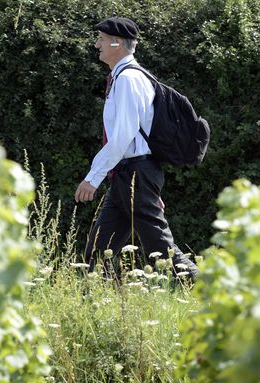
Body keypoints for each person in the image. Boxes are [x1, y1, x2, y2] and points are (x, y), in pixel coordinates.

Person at [74, 16, 198, 280]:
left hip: (135, 174)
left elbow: (121, 138)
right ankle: (101, 307)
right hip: (129, 175)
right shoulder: (123, 77)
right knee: (98, 250)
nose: (97, 45)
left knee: (161, 250)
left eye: (102, 39)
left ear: (117, 43)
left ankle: (208, 292)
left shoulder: (129, 79)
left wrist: (92, 178)